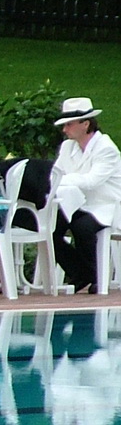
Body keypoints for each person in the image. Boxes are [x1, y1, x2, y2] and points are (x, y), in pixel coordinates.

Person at [50, 98, 121, 293]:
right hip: (76, 203)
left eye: (69, 124)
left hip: (107, 206)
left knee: (82, 226)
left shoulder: (106, 148)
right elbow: (54, 175)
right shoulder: (67, 147)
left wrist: (62, 181)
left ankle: (94, 275)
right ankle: (82, 272)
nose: (65, 129)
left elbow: (92, 181)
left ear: (86, 124)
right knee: (49, 226)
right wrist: (61, 181)